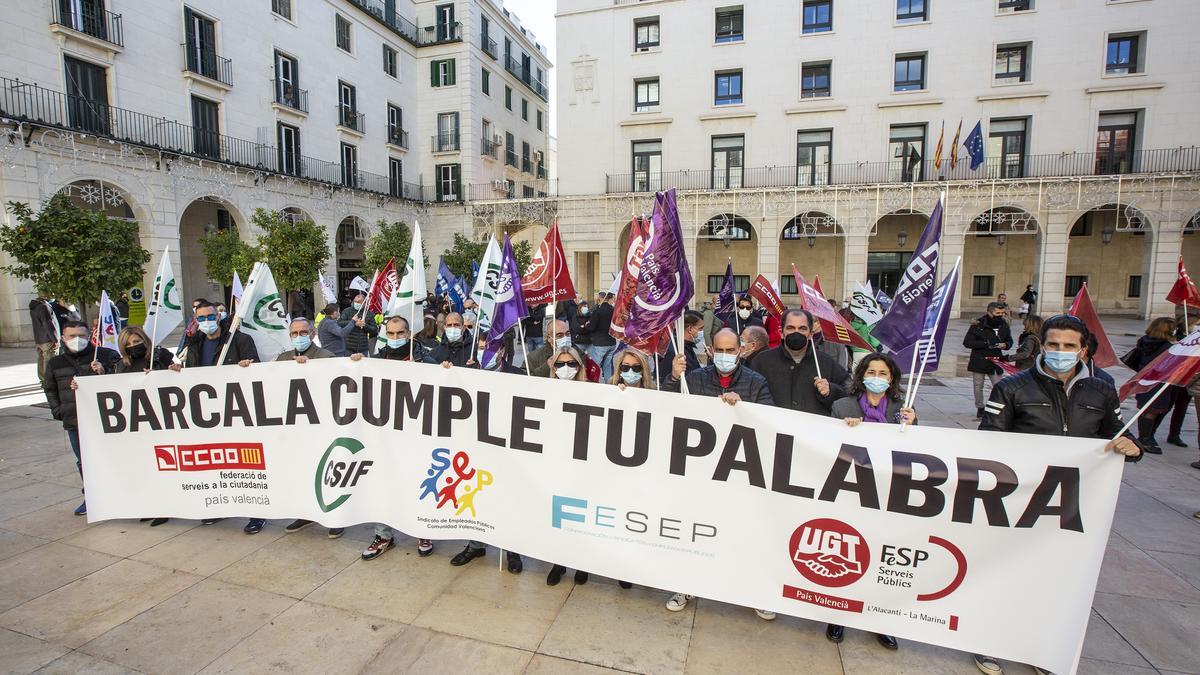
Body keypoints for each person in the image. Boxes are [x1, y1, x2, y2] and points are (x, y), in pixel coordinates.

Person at [977, 313, 1141, 675]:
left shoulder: (1102, 389)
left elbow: (1117, 431)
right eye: (1054, 345)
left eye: (1069, 346)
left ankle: (1043, 648)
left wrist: (1132, 447)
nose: (1060, 352)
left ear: (1083, 350)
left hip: (1072, 503)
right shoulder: (1013, 387)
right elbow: (988, 442)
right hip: (1018, 501)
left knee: (1056, 579)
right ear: (1043, 345)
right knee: (1003, 572)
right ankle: (987, 640)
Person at [662, 327, 776, 620]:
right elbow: (667, 406)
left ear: (741, 350)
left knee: (743, 533)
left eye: (731, 350)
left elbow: (770, 420)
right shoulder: (696, 379)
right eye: (720, 350)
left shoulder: (756, 382)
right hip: (701, 470)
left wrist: (744, 408)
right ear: (711, 351)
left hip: (739, 470)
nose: (725, 356)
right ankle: (686, 585)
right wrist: (675, 377)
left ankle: (753, 592)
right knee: (696, 530)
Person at [826, 352, 911, 651]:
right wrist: (844, 430)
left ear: (891, 379)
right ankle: (838, 614)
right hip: (851, 491)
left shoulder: (903, 409)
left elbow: (917, 451)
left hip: (889, 493)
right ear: (862, 375)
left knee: (880, 557)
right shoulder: (842, 407)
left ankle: (879, 620)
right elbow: (825, 448)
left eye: (883, 373)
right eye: (871, 371)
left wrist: (912, 427)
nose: (877, 377)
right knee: (847, 553)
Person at [172, 301, 260, 531]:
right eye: (200, 319)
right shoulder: (194, 344)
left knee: (247, 464)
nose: (206, 322)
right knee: (216, 464)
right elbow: (191, 375)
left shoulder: (239, 340)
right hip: (209, 415)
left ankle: (256, 514)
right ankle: (218, 507)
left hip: (238, 413)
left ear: (219, 316)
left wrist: (247, 366)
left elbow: (258, 370)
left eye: (210, 316)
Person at [354, 316, 436, 560]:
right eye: (391, 333)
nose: (396, 338)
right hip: (384, 436)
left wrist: (443, 372)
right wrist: (356, 366)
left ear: (409, 334)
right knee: (383, 485)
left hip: (417, 435)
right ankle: (383, 535)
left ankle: (423, 529)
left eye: (400, 333)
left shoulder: (425, 360)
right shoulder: (375, 361)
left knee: (419, 483)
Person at [445, 331, 526, 573]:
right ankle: (475, 544)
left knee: (508, 499)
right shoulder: (468, 373)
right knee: (475, 497)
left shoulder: (519, 375)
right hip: (477, 448)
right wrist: (447, 371)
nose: (484, 352)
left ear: (502, 350)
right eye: (480, 348)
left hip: (509, 450)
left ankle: (511, 549)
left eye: (489, 348)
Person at [272, 318, 344, 539]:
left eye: (303, 332)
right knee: (301, 472)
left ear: (312, 333)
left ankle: (335, 518)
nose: (299, 336)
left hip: (322, 426)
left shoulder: (326, 357)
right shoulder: (283, 359)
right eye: (294, 333)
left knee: (328, 472)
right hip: (295, 429)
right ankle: (305, 513)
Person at [43, 320, 120, 516]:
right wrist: (58, 410)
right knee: (84, 461)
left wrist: (105, 372)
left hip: (107, 419)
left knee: (115, 456)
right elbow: (50, 389)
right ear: (63, 338)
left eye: (82, 336)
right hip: (74, 420)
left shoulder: (105, 356)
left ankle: (120, 494)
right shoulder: (54, 363)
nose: (77, 340)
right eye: (72, 336)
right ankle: (92, 496)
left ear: (89, 336)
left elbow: (123, 379)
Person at [544, 346, 599, 586]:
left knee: (580, 516)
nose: (565, 368)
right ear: (552, 368)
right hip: (555, 463)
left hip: (583, 464)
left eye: (571, 363)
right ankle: (558, 562)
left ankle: (582, 564)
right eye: (559, 364)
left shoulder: (593, 392)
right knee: (556, 518)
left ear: (579, 367)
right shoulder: (544, 391)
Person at [745, 309, 849, 416]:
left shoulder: (826, 362)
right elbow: (747, 391)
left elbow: (848, 391)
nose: (796, 332)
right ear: (781, 332)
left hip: (812, 429)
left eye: (802, 328)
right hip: (773, 428)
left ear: (810, 334)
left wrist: (831, 391)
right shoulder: (762, 361)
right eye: (790, 328)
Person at [1125, 317, 1178, 454]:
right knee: (1152, 411)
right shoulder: (1167, 347)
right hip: (1158, 382)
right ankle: (1145, 439)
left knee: (1148, 409)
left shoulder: (1144, 341)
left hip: (1144, 380)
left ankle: (1147, 436)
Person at [964, 302, 1012, 419]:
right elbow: (967, 342)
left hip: (996, 360)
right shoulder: (978, 324)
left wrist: (1005, 345)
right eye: (997, 313)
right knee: (978, 385)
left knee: (998, 386)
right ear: (989, 312)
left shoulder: (1004, 324)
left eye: (1002, 313)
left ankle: (995, 408)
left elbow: (1009, 341)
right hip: (979, 359)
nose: (1000, 315)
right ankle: (980, 407)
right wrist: (986, 343)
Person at [29, 295, 62, 384]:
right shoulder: (44, 306)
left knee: (41, 359)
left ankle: (43, 379)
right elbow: (48, 324)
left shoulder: (34, 306)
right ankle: (48, 380)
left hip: (39, 339)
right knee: (50, 360)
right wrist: (55, 339)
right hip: (48, 339)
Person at [588, 292, 617, 381]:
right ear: (610, 299)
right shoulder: (614, 310)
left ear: (601, 299)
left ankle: (593, 383)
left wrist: (586, 325)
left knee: (595, 366)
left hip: (600, 343)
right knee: (607, 366)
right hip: (611, 342)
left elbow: (592, 327)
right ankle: (609, 384)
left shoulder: (598, 311)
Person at [341, 292, 379, 357]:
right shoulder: (346, 311)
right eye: (355, 301)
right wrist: (353, 322)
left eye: (359, 302)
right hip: (348, 347)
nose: (356, 303)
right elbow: (340, 323)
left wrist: (364, 325)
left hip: (363, 348)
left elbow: (375, 330)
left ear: (364, 303)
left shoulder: (369, 314)